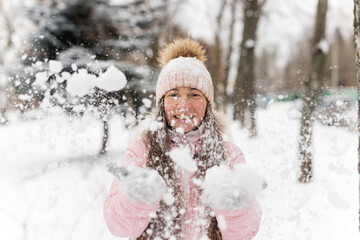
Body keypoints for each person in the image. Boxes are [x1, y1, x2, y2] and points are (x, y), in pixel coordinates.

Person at [104, 38, 263, 240]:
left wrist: (235, 207)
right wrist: (135, 200)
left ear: (208, 103)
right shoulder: (141, 151)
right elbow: (119, 228)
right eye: (174, 95)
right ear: (162, 103)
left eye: (194, 94)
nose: (183, 105)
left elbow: (245, 233)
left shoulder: (228, 153)